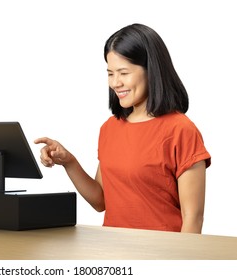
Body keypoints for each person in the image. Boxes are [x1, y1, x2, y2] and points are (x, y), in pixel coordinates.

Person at [34, 23, 211, 233]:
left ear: (151, 70)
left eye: (123, 73)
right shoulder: (109, 128)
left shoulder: (181, 130)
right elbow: (101, 201)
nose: (115, 83)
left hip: (162, 255)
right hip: (114, 251)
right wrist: (69, 162)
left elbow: (193, 219)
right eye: (110, 73)